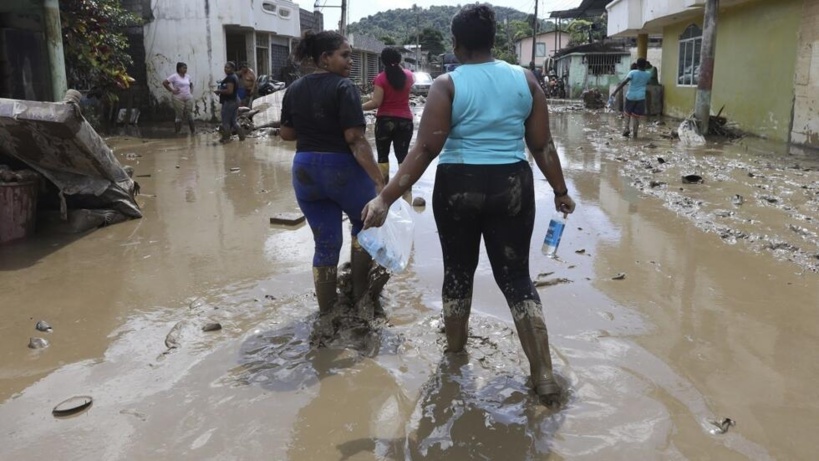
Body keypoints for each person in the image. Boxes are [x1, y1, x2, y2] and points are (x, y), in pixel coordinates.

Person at [361, 4, 576, 406]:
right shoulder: (526, 80)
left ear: (456, 43)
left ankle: (455, 356)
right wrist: (561, 191)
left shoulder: (448, 84)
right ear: (494, 41)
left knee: (459, 271)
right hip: (513, 184)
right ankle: (544, 375)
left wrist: (385, 198)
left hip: (458, 186)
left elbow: (426, 148)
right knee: (516, 278)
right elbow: (542, 144)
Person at [280, 30, 385, 316]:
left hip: (305, 171)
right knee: (365, 226)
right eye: (345, 55)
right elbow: (355, 138)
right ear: (325, 58)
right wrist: (379, 181)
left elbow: (287, 134)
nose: (351, 61)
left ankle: (327, 311)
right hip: (341, 170)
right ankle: (359, 295)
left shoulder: (294, 89)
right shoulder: (344, 87)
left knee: (325, 243)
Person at [361, 47, 414, 200]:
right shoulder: (409, 76)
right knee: (403, 157)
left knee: (383, 157)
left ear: (383, 61)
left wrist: (358, 107)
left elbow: (376, 102)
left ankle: (383, 196)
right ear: (399, 59)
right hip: (405, 121)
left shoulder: (381, 78)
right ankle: (407, 195)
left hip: (385, 122)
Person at [611, 57, 651, 139]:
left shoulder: (632, 72)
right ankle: (635, 134)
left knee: (627, 113)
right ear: (645, 65)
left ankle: (626, 128)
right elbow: (647, 82)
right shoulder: (648, 74)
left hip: (630, 96)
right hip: (641, 97)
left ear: (637, 65)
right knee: (636, 116)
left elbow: (624, 82)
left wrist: (615, 92)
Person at [214, 61, 244, 142]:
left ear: (232, 69)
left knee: (225, 121)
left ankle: (226, 138)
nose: (226, 69)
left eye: (228, 68)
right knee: (234, 121)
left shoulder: (230, 78)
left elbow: (229, 91)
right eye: (225, 67)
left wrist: (219, 91)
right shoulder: (234, 76)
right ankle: (242, 137)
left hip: (229, 102)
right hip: (235, 100)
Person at [162, 62, 195, 134]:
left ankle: (193, 131)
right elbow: (165, 83)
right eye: (184, 68)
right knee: (179, 114)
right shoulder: (174, 76)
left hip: (188, 97)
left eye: (186, 68)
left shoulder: (188, 76)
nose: (185, 69)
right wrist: (172, 90)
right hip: (178, 98)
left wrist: (190, 92)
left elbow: (191, 84)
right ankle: (177, 131)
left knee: (189, 113)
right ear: (179, 69)